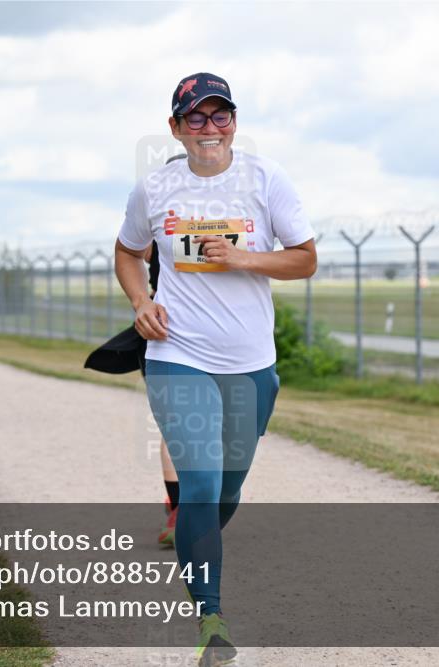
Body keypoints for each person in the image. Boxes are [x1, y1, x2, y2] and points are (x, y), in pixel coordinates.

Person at [115, 73, 316, 664]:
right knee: (200, 483)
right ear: (175, 128)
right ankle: (211, 616)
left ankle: (194, 543)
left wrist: (244, 258)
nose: (210, 128)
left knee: (226, 491)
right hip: (177, 355)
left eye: (219, 115)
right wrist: (141, 302)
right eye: (196, 118)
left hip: (251, 363)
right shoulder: (154, 188)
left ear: (234, 122)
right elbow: (128, 252)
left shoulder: (266, 178)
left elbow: (305, 259)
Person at [85, 156, 187, 549]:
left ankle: (197, 500)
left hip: (223, 338)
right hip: (165, 329)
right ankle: (179, 508)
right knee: (176, 421)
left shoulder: (222, 215)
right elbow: (135, 250)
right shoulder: (160, 216)